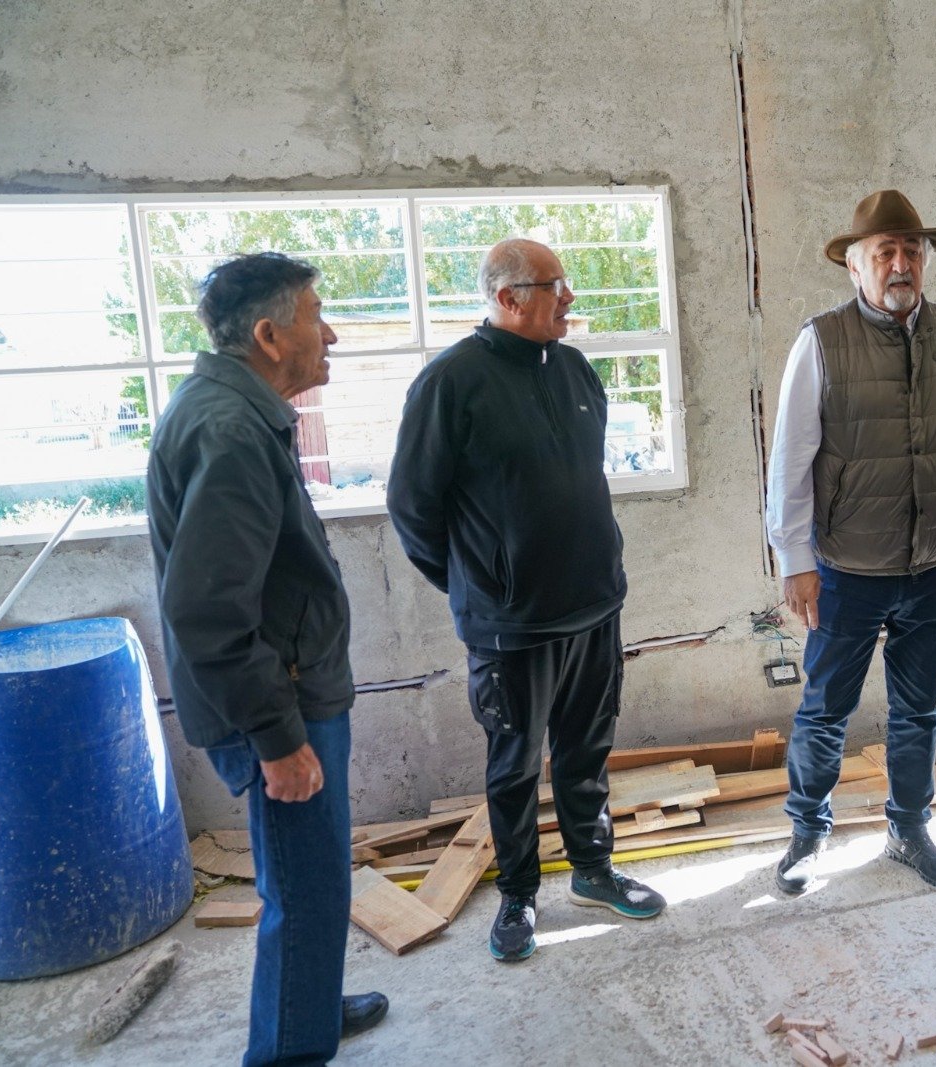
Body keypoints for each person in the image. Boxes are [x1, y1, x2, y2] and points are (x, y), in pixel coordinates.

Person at [387, 238, 665, 963]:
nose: (569, 297)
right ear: (509, 298)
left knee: (586, 751)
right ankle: (518, 894)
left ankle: (594, 871)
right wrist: (481, 583)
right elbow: (413, 508)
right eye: (555, 285)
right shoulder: (450, 382)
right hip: (511, 625)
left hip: (594, 605)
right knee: (514, 766)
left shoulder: (573, 369)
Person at [148, 253, 387, 1065]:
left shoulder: (238, 411)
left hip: (288, 687)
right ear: (269, 334)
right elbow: (208, 609)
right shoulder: (232, 430)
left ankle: (306, 1006)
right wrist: (277, 738)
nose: (331, 334)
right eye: (316, 315)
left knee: (314, 880)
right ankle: (290, 1047)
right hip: (278, 704)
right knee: (307, 887)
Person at [766, 190, 936, 893]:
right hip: (845, 568)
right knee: (826, 710)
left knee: (919, 711)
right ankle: (807, 833)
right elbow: (789, 462)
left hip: (935, 564)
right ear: (855, 267)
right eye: (885, 252)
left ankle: (909, 830)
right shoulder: (821, 341)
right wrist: (794, 559)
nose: (902, 264)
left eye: (913, 250)